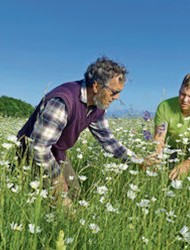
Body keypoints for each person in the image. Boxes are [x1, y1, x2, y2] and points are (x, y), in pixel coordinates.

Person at [17, 56, 138, 202]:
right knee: (60, 198)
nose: (117, 98)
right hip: (30, 153)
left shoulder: (97, 105)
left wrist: (137, 161)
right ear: (96, 86)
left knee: (74, 191)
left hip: (57, 151)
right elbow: (38, 147)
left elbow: (108, 140)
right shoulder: (62, 101)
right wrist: (57, 178)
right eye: (114, 92)